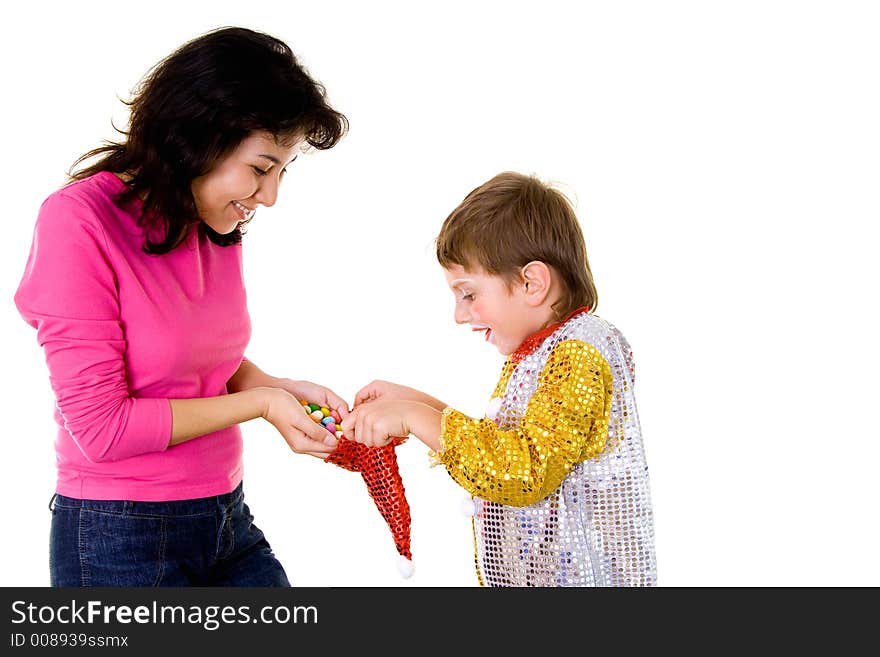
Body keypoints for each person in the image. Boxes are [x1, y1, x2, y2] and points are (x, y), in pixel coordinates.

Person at [14, 27, 349, 587]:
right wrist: (261, 404)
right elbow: (102, 429)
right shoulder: (77, 223)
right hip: (118, 535)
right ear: (197, 140)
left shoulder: (213, 221)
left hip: (224, 516)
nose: (269, 197)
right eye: (261, 169)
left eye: (281, 172)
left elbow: (193, 362)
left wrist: (275, 386)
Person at [342, 171, 657, 586]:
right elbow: (504, 444)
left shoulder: (579, 353)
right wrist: (414, 403)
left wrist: (414, 417)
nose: (459, 314)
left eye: (468, 294)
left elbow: (523, 471)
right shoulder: (542, 348)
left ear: (532, 283)